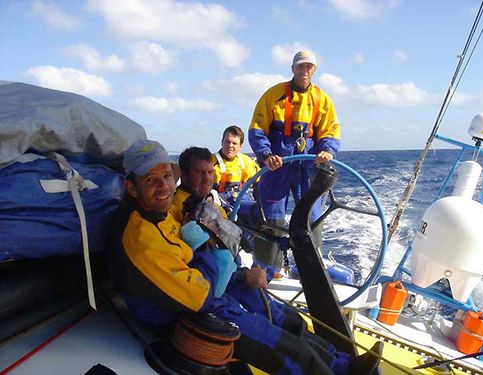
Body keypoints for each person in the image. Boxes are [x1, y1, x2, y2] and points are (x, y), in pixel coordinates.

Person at [110, 139, 382, 375]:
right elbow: (201, 292)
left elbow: (202, 257)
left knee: (286, 320)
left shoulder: (163, 213)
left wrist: (223, 263)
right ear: (132, 188)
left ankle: (344, 366)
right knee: (279, 343)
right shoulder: (144, 238)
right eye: (150, 180)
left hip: (205, 287)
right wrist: (220, 258)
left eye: (167, 177)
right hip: (179, 313)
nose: (163, 187)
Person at [248, 50, 340, 274]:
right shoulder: (273, 95)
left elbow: (330, 132)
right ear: (292, 69)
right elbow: (257, 130)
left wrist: (326, 151)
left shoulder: (322, 100)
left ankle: (311, 272)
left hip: (307, 168)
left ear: (314, 70)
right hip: (276, 166)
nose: (304, 70)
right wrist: (266, 155)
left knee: (312, 216)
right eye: (300, 66)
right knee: (272, 216)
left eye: (308, 66)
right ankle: (267, 270)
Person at [212, 125, 260, 207]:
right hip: (220, 205)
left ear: (240, 146)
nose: (230, 146)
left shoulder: (247, 162)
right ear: (222, 142)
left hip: (242, 202)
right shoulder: (210, 162)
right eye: (227, 142)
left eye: (234, 143)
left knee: (259, 210)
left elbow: (260, 182)